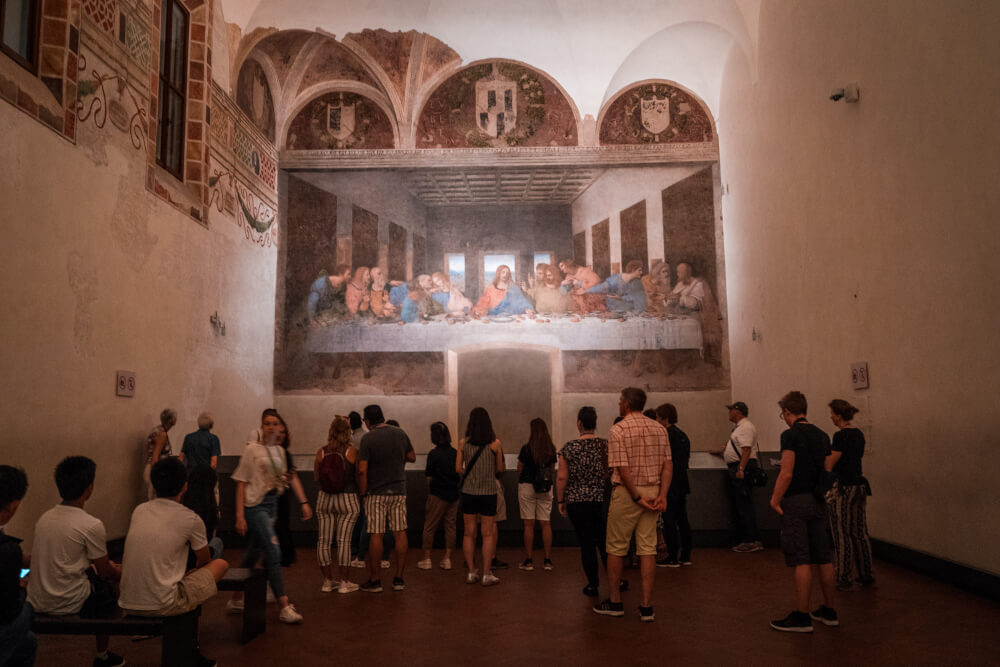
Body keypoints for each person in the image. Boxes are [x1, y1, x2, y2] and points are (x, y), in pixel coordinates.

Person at [118, 458, 228, 666]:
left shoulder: (139, 510)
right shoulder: (190, 518)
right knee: (220, 564)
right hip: (164, 603)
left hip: (127, 600)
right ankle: (190, 649)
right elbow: (204, 560)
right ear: (184, 485)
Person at [27, 457, 123, 667]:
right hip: (69, 601)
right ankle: (102, 655)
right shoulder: (91, 524)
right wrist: (121, 572)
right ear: (89, 488)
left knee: (90, 570)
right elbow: (105, 570)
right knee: (109, 588)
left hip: (37, 599)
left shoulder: (44, 518)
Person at [593, 387, 671, 622]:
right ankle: (647, 606)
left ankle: (615, 601)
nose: (619, 404)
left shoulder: (618, 430)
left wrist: (636, 497)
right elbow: (668, 465)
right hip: (654, 491)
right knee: (648, 549)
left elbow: (622, 469)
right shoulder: (659, 428)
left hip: (628, 494)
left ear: (626, 404)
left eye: (619, 401)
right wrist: (663, 495)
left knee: (616, 547)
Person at [227, 409, 309, 623]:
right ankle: (284, 605)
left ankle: (236, 598)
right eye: (268, 423)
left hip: (272, 505)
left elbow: (280, 479)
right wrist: (239, 515)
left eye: (275, 423)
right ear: (262, 427)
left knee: (255, 551)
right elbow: (241, 482)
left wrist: (294, 491)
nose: (272, 427)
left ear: (280, 427)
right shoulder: (252, 450)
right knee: (273, 550)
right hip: (256, 506)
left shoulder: (278, 452)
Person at [769, 391, 838, 633]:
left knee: (801, 558)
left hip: (796, 501)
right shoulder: (822, 435)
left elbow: (786, 472)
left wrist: (775, 499)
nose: (784, 418)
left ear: (788, 412)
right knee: (823, 556)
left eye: (783, 414)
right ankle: (829, 611)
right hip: (818, 500)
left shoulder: (790, 435)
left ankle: (801, 616)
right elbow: (827, 468)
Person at [357, 404, 416, 592]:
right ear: (382, 417)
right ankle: (399, 579)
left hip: (376, 492)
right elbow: (412, 456)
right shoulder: (399, 433)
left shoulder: (368, 439)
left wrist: (363, 492)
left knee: (376, 534)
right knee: (400, 532)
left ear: (367, 421)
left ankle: (375, 581)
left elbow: (362, 470)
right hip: (399, 489)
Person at [556, 407, 611, 597]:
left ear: (579, 423)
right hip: (600, 500)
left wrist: (560, 500)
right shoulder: (604, 446)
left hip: (576, 501)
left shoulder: (568, 448)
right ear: (595, 423)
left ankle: (593, 584)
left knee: (586, 543)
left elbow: (562, 477)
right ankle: (615, 580)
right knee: (605, 543)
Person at [826, 399, 874, 590]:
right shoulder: (859, 434)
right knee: (860, 532)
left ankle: (843, 576)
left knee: (842, 533)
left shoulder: (841, 436)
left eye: (831, 413)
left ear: (838, 415)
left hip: (845, 488)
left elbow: (831, 463)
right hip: (860, 486)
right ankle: (866, 574)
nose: (830, 416)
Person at [456, 407, 505, 586]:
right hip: (488, 492)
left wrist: (471, 472)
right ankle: (486, 573)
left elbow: (458, 469)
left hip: (469, 492)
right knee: (488, 533)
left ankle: (471, 572)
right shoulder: (496, 444)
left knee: (469, 533)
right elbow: (499, 469)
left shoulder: (463, 443)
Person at [314, 416, 362, 594]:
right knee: (344, 542)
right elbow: (358, 475)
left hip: (324, 499)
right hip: (347, 499)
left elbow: (317, 477)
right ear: (348, 432)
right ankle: (344, 582)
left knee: (324, 541)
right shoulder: (352, 451)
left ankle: (327, 581)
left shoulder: (321, 452)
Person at [711, 401, 763, 552]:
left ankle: (751, 540)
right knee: (741, 504)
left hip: (741, 469)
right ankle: (747, 539)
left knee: (744, 505)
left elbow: (746, 450)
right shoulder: (739, 428)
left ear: (737, 412)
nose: (729, 412)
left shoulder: (745, 427)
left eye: (731, 410)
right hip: (739, 468)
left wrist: (740, 469)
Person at [0, 465, 34, 667]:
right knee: (28, 609)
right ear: (12, 506)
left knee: (28, 641)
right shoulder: (9, 550)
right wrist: (21, 588)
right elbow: (9, 610)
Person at [418, 422, 461, 571]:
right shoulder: (455, 453)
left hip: (437, 494)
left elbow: (429, 477)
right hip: (454, 494)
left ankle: (427, 559)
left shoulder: (434, 454)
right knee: (450, 526)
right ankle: (447, 559)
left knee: (429, 526)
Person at [654, 404, 692, 567]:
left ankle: (672, 556)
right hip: (682, 482)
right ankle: (685, 555)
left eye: (657, 417)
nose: (656, 421)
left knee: (668, 520)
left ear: (664, 418)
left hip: (669, 484)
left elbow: (663, 462)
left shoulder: (666, 436)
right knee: (682, 519)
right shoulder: (683, 435)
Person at [271, 414, 312, 568]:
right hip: (267, 501)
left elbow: (293, 477)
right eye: (277, 431)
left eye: (283, 432)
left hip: (280, 500)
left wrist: (304, 502)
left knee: (280, 533)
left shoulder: (284, 453)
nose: (280, 435)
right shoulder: (263, 452)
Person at [517, 418, 557, 572]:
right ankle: (547, 560)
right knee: (546, 523)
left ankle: (529, 561)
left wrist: (520, 480)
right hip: (546, 488)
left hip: (527, 486)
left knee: (528, 525)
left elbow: (520, 468)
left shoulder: (526, 449)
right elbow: (552, 469)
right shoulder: (551, 449)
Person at [666, 262, 722, 364]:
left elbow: (695, 304)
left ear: (686, 273)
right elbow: (671, 299)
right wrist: (670, 299)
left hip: (694, 315)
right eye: (677, 272)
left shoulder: (698, 284)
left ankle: (693, 357)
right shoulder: (680, 284)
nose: (677, 274)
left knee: (689, 328)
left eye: (680, 272)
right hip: (680, 314)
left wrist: (680, 299)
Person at [181, 465, 224, 566]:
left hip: (181, 561)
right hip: (196, 562)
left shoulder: (183, 507)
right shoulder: (210, 512)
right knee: (218, 542)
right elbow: (205, 553)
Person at [144, 408, 177, 500]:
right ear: (171, 420)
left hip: (153, 468)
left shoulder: (158, 430)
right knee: (155, 499)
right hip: (156, 469)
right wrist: (156, 477)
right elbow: (155, 455)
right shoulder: (161, 434)